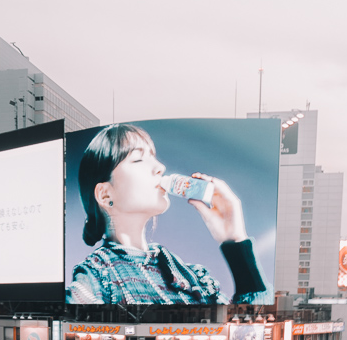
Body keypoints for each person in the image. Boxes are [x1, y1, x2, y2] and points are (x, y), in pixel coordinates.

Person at [66, 123, 266, 306]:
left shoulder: (191, 276)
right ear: (105, 194)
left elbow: (248, 338)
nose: (160, 167)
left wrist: (236, 241)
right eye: (138, 159)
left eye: (153, 156)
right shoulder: (94, 278)